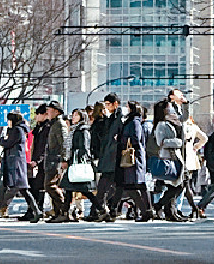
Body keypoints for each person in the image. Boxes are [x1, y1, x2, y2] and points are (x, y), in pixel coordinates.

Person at [0, 112, 42, 222]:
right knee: (8, 189)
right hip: (13, 164)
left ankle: (37, 211)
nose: (7, 123)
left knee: (21, 190)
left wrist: (2, 140)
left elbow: (8, 143)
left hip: (15, 165)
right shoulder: (18, 130)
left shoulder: (17, 130)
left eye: (9, 120)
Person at [114, 101, 151, 220]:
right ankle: (147, 211)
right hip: (134, 158)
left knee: (133, 187)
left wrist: (121, 138)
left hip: (133, 158)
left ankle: (146, 212)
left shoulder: (134, 122)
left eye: (128, 107)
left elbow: (135, 138)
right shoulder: (133, 121)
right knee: (137, 187)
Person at [60, 108, 99, 221]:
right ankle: (65, 213)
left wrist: (80, 158)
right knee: (69, 189)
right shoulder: (75, 129)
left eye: (76, 115)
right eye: (73, 115)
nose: (73, 117)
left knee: (84, 190)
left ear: (82, 117)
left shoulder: (83, 130)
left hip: (79, 163)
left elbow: (84, 148)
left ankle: (101, 209)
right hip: (74, 162)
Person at [153, 100, 186, 221]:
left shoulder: (169, 122)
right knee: (177, 186)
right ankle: (160, 205)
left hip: (174, 157)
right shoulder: (161, 125)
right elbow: (161, 142)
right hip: (168, 158)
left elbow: (183, 118)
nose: (170, 109)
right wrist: (178, 142)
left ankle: (169, 211)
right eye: (168, 107)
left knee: (176, 185)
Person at [92, 93, 122, 222]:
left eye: (109, 104)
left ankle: (107, 210)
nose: (107, 107)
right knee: (106, 186)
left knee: (111, 186)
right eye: (105, 105)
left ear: (116, 104)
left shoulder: (120, 118)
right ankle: (105, 210)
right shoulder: (109, 118)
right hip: (108, 156)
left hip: (115, 157)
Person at [43, 101, 71, 222]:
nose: (47, 112)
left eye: (50, 109)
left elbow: (65, 143)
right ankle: (58, 212)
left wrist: (64, 159)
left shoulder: (60, 124)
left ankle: (64, 210)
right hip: (51, 159)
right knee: (50, 185)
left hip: (57, 159)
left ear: (56, 111)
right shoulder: (53, 124)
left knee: (50, 185)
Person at [24, 104, 50, 220]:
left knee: (39, 187)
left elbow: (44, 147)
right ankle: (32, 210)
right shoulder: (38, 128)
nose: (36, 117)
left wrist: (38, 160)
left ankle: (37, 210)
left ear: (44, 114)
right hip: (34, 160)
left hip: (42, 162)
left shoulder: (47, 128)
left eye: (38, 114)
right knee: (33, 186)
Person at [182, 115, 208, 218]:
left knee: (183, 185)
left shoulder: (181, 125)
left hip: (182, 157)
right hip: (191, 158)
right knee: (188, 184)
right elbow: (204, 138)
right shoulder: (194, 127)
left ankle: (194, 208)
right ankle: (194, 208)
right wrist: (196, 146)